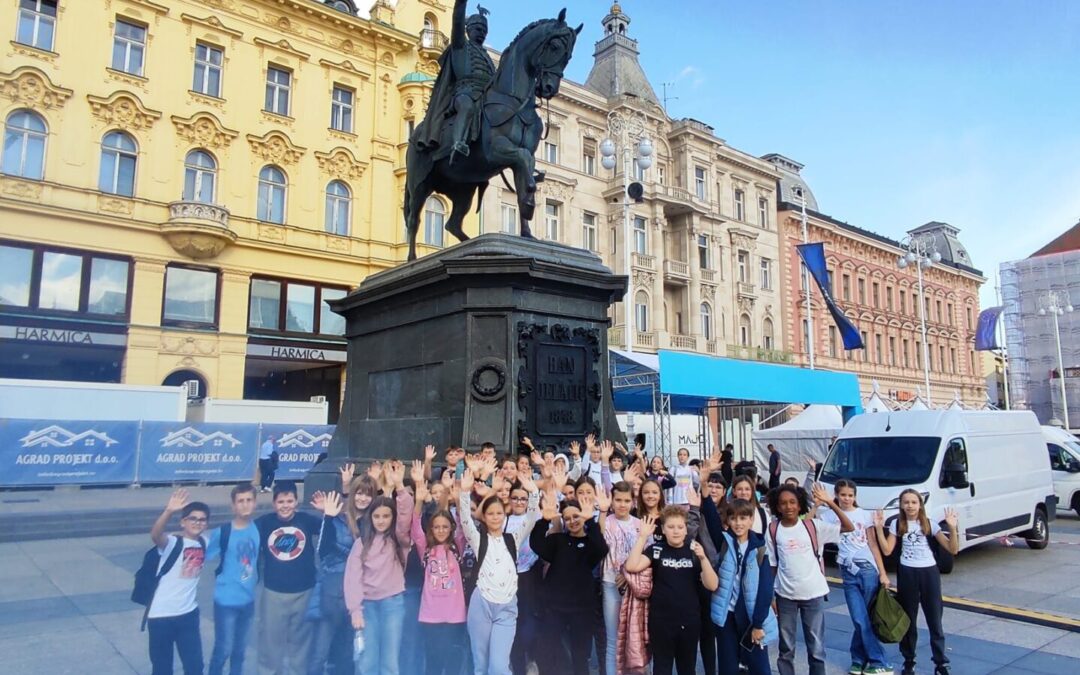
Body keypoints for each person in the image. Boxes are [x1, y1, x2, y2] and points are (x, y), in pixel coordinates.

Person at [459, 458, 540, 675]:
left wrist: (533, 492)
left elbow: (531, 518)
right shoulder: (479, 540)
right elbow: (465, 520)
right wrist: (464, 493)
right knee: (481, 663)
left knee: (499, 665)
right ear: (485, 517)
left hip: (507, 607)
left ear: (504, 515)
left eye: (499, 513)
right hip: (482, 604)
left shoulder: (513, 539)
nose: (495, 517)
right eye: (491, 514)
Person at [766, 483, 853, 675]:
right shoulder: (773, 529)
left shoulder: (813, 526)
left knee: (816, 648)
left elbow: (848, 527)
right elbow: (772, 565)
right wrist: (771, 596)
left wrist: (830, 502)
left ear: (800, 505)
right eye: (783, 503)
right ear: (777, 506)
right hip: (785, 596)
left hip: (813, 594)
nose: (788, 506)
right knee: (786, 648)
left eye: (792, 502)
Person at [873, 491, 960, 675]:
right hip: (907, 573)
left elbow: (953, 549)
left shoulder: (930, 524)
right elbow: (887, 550)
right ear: (901, 505)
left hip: (929, 573)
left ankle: (940, 662)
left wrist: (952, 528)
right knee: (908, 620)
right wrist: (879, 528)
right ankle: (909, 660)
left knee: (934, 619)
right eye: (906, 502)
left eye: (914, 502)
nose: (910, 506)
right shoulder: (897, 524)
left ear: (920, 504)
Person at [624, 508, 718, 675]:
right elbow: (631, 566)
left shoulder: (694, 552)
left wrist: (703, 558)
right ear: (663, 529)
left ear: (686, 529)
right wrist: (643, 537)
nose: (676, 531)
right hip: (661, 621)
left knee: (687, 669)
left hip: (689, 621)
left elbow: (712, 585)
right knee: (662, 668)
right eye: (671, 527)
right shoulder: (656, 550)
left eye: (680, 527)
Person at [344, 461, 415, 675]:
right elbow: (353, 578)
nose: (381, 521)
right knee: (367, 661)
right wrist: (355, 610)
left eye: (386, 516)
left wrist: (400, 487)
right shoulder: (361, 543)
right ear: (371, 518)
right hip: (367, 606)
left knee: (390, 661)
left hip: (393, 604)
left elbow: (406, 515)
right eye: (377, 516)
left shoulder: (398, 540)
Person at [815, 480, 892, 675]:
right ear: (836, 495)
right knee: (859, 618)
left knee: (864, 618)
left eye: (850, 495)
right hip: (847, 571)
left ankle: (873, 661)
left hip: (867, 569)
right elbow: (810, 525)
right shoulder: (828, 515)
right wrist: (817, 504)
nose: (847, 499)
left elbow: (873, 544)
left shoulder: (864, 515)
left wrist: (883, 573)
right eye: (843, 495)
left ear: (855, 496)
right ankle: (862, 658)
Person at [531, 490, 610, 675]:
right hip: (554, 608)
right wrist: (544, 521)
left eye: (576, 516)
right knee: (547, 652)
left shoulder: (591, 543)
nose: (572, 521)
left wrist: (590, 521)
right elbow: (537, 544)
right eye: (567, 518)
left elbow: (602, 549)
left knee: (580, 656)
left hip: (582, 609)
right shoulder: (558, 540)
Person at [700, 497, 777, 675]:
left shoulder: (760, 549)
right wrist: (705, 494)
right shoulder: (725, 543)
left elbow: (765, 590)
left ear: (751, 520)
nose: (738, 523)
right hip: (727, 614)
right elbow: (712, 521)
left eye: (743, 518)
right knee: (728, 666)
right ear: (727, 521)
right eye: (733, 518)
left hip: (751, 617)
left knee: (759, 666)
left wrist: (758, 624)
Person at [255, 480, 322, 675]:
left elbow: (331, 528)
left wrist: (328, 512)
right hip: (273, 592)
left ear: (296, 502)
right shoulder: (264, 523)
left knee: (301, 643)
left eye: (290, 501)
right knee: (270, 641)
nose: (285, 506)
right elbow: (243, 534)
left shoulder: (306, 520)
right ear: (274, 503)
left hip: (304, 591)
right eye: (281, 502)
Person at [308, 464, 369, 675]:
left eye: (367, 495)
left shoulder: (372, 522)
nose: (363, 498)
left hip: (357, 594)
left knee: (346, 653)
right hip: (333, 589)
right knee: (320, 651)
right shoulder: (338, 517)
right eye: (359, 493)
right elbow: (323, 550)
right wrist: (327, 516)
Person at [147, 489, 209, 675]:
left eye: (202, 519)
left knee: (195, 666)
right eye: (192, 518)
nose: (197, 522)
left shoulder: (204, 542)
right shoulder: (172, 542)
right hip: (161, 616)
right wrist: (169, 511)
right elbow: (155, 535)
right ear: (183, 522)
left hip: (188, 614)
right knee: (162, 668)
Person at [412, 472, 468, 675]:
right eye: (437, 527)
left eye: (445, 527)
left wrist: (458, 501)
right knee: (433, 663)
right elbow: (415, 528)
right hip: (430, 614)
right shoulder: (425, 548)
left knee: (453, 663)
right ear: (431, 529)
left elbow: (463, 525)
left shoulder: (456, 546)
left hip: (455, 614)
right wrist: (419, 502)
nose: (441, 530)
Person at [206, 483, 259, 675]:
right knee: (223, 649)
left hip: (248, 601)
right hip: (226, 601)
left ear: (255, 503)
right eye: (240, 501)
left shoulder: (258, 529)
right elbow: (200, 554)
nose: (245, 504)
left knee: (240, 651)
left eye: (249, 500)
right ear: (233, 506)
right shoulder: (223, 532)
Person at [599, 482, 641, 675]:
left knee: (635, 640)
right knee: (613, 640)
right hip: (610, 584)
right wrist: (602, 511)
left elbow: (646, 555)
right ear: (612, 501)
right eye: (618, 500)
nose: (622, 504)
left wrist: (627, 574)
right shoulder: (606, 521)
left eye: (626, 500)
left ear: (633, 502)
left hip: (634, 587)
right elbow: (599, 540)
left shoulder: (639, 524)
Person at [508, 482, 543, 675]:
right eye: (515, 498)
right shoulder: (503, 520)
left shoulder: (534, 517)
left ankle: (532, 659)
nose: (519, 502)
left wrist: (535, 491)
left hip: (530, 575)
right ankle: (517, 665)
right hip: (509, 577)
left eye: (523, 498)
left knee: (529, 622)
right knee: (513, 622)